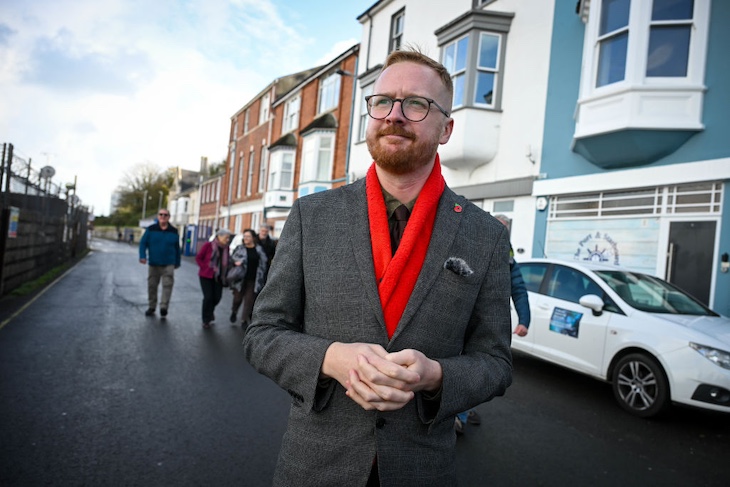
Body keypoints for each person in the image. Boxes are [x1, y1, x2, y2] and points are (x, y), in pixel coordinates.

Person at [243, 48, 512, 486]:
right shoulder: (313, 216)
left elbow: (496, 362)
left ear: (446, 129)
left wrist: (436, 376)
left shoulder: (486, 236)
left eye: (416, 104)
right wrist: (330, 358)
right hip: (313, 468)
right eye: (383, 101)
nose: (394, 115)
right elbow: (262, 334)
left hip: (421, 471)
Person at [455, 246, 531, 434]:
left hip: (482, 323)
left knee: (471, 366)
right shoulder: (471, 246)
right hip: (460, 318)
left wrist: (524, 321)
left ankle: (461, 412)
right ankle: (461, 410)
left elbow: (519, 290)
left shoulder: (506, 258)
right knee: (459, 364)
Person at [138, 209, 181, 317]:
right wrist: (142, 256)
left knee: (167, 285)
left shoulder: (173, 231)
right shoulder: (151, 229)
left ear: (169, 217)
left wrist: (177, 262)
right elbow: (143, 243)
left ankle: (164, 307)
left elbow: (177, 248)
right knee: (152, 286)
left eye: (165, 215)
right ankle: (152, 306)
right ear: (158, 216)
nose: (163, 216)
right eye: (161, 214)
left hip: (169, 263)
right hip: (154, 263)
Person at [229, 229, 268, 328]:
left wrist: (262, 278)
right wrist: (235, 262)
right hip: (240, 279)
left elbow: (264, 263)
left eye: (248, 236)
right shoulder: (239, 248)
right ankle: (234, 311)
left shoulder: (259, 249)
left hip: (253, 280)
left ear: (253, 238)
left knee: (249, 301)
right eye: (244, 236)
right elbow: (232, 259)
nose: (245, 238)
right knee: (237, 299)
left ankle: (243, 320)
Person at [195, 228, 232, 329]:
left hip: (219, 277)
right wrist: (204, 267)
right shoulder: (208, 245)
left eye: (228, 238)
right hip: (206, 276)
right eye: (226, 237)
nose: (228, 240)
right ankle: (206, 319)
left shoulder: (226, 248)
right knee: (208, 297)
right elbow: (198, 258)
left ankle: (210, 311)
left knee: (217, 297)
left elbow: (227, 261)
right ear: (219, 236)